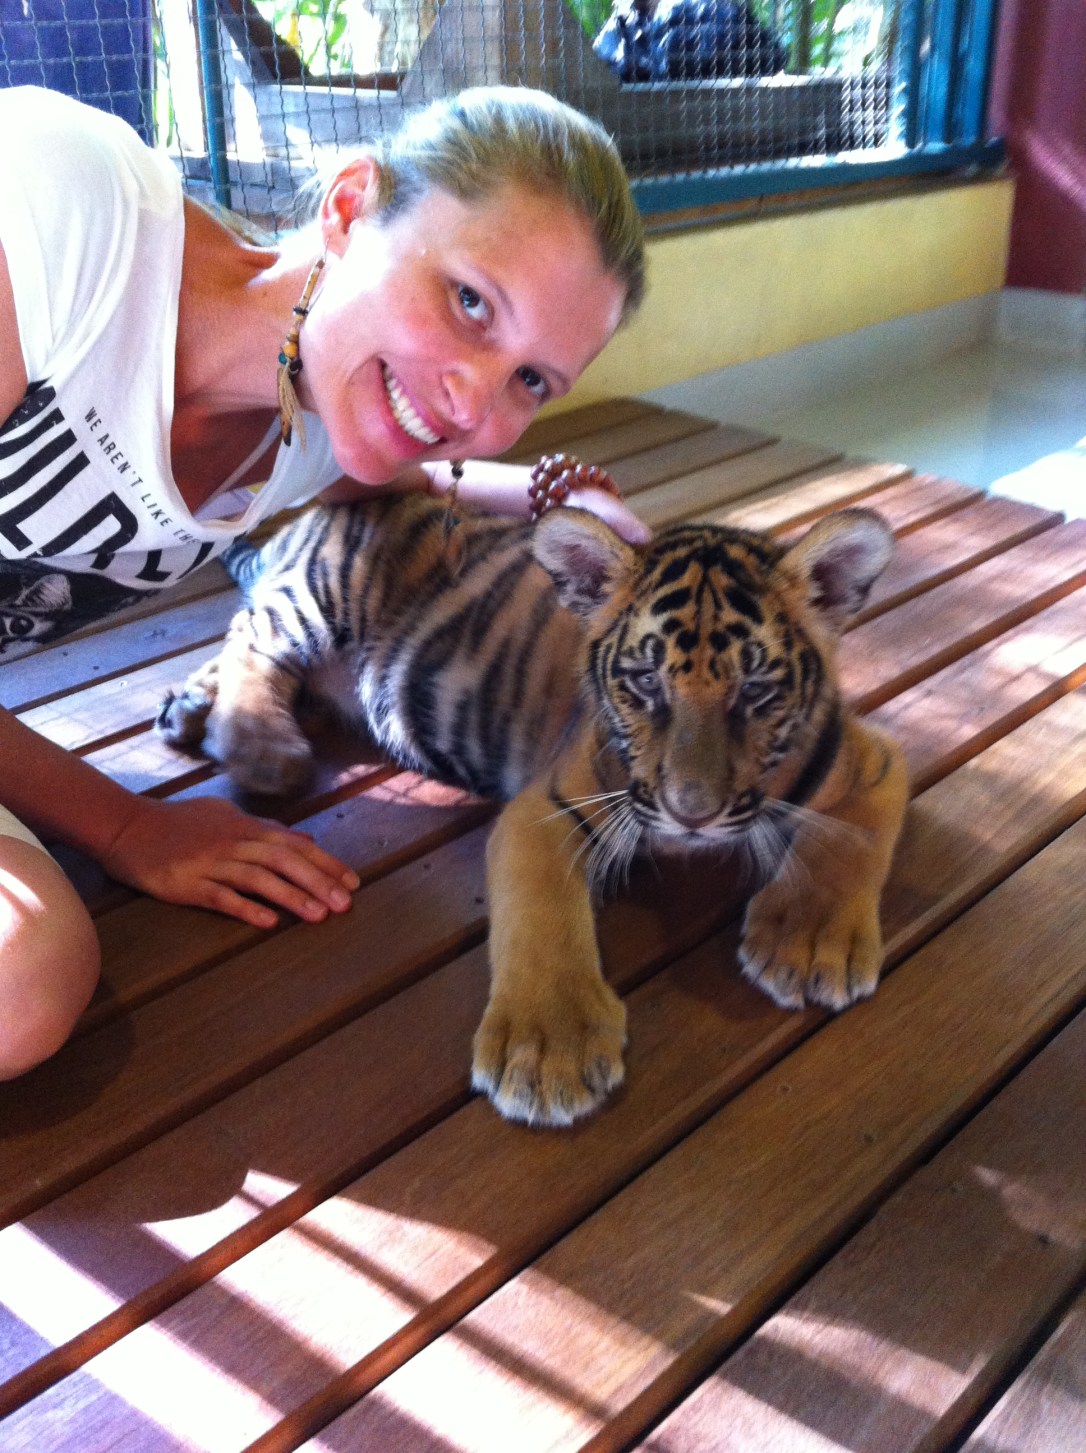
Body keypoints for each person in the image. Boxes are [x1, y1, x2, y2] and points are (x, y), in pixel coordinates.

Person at [0, 82, 648, 1077]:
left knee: (24, 986)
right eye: (470, 300)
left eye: (533, 382)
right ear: (349, 208)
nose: (476, 401)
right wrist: (125, 823)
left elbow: (420, 463)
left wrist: (565, 489)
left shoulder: (307, 427)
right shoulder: (58, 211)